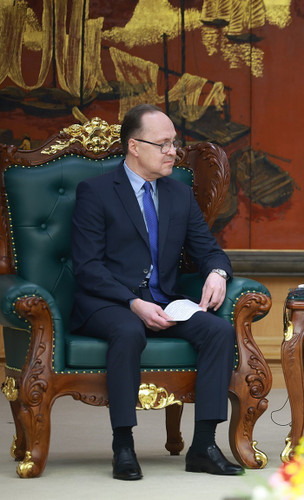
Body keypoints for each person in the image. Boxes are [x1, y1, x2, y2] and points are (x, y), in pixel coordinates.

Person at [71, 104, 242, 480]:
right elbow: (88, 267)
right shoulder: (96, 192)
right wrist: (133, 303)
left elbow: (209, 250)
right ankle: (123, 445)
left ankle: (204, 446)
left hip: (164, 301)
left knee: (219, 331)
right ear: (134, 146)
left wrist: (217, 273)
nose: (173, 152)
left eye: (174, 143)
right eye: (163, 144)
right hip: (109, 302)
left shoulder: (179, 194)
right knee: (128, 329)